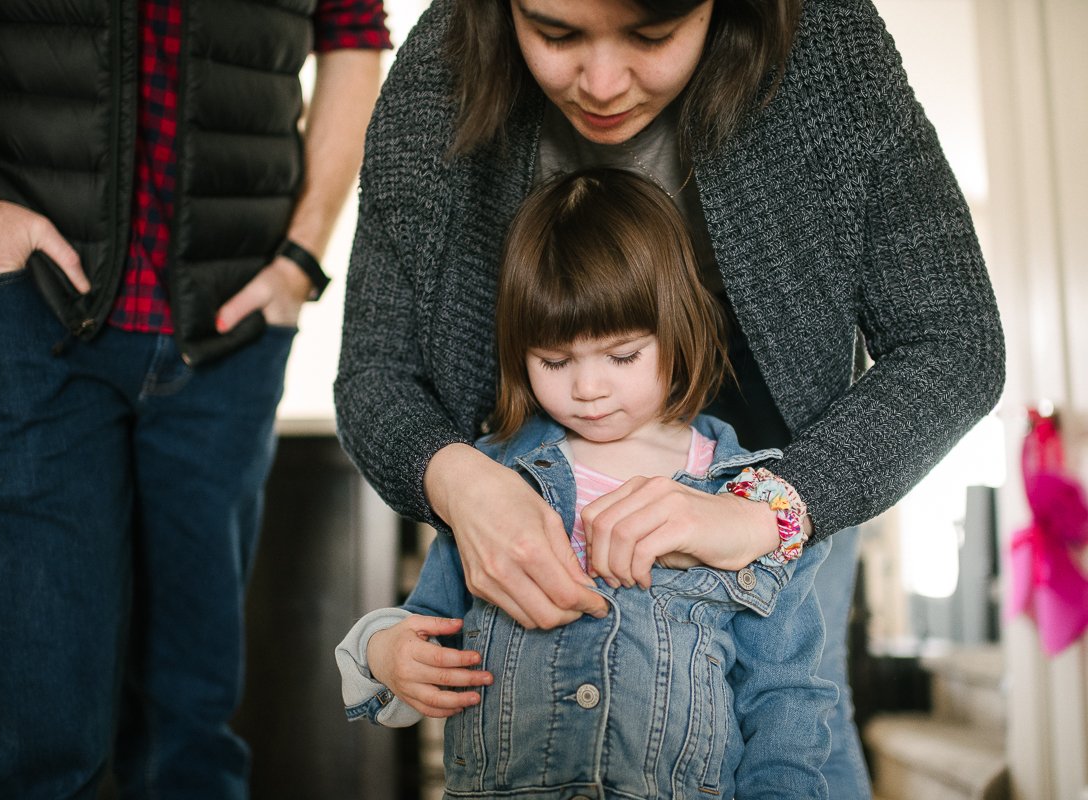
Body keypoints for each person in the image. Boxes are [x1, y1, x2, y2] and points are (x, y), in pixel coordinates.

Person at [334, 0, 1005, 796]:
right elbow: (376, 372)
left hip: (793, 451)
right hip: (517, 445)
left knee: (796, 703)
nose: (604, 82)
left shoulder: (826, 39)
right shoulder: (441, 63)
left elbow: (956, 341)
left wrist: (771, 510)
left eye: (651, 37)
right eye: (556, 35)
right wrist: (460, 480)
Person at [0, 1, 388, 797]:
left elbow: (354, 30)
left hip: (227, 329)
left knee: (189, 734)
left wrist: (300, 258)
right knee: (35, 744)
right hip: (13, 311)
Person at [337, 168, 837, 798]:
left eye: (622, 356)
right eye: (554, 361)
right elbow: (425, 624)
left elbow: (785, 698)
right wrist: (386, 654)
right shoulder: (496, 479)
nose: (588, 388)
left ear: (678, 332)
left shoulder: (747, 494)